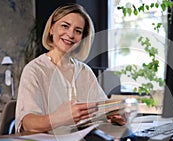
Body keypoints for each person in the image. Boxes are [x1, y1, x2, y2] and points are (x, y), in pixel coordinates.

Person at [16, 3, 121, 134]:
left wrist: (114, 116)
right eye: (65, 26)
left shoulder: (85, 71)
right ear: (51, 29)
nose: (71, 34)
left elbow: (102, 110)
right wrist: (60, 118)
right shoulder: (34, 70)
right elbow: (28, 124)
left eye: (78, 31)